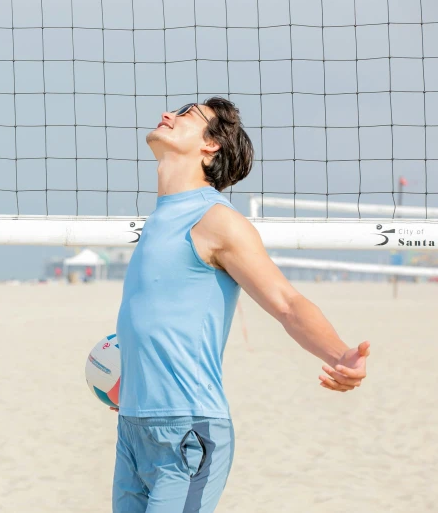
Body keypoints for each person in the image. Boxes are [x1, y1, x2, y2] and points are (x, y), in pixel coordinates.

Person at [112, 97, 371, 513]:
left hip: (187, 431)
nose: (167, 115)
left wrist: (339, 354)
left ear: (211, 145)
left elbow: (287, 302)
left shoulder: (216, 219)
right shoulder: (159, 219)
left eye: (185, 116)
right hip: (133, 428)